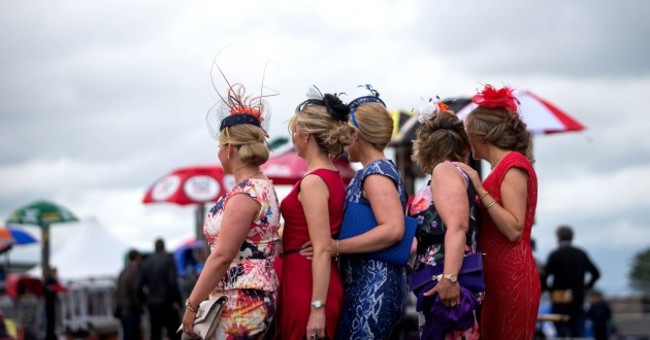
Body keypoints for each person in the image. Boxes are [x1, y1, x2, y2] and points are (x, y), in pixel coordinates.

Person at [181, 81, 281, 339]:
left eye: (219, 146)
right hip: (251, 294)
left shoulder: (245, 194)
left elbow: (223, 255)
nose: (218, 153)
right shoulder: (263, 187)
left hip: (241, 299)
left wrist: (192, 304)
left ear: (229, 150)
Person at [456, 84, 540, 339]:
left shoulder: (513, 165)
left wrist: (480, 190)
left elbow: (513, 229)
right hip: (495, 276)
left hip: (511, 276)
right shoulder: (500, 167)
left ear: (481, 135)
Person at [334, 87, 409, 339]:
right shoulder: (373, 171)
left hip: (374, 288)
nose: (343, 143)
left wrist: (336, 247)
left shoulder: (375, 174)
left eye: (346, 135)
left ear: (356, 135)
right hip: (367, 284)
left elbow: (393, 229)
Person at [276, 87, 351, 339]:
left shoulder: (314, 182)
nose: (293, 137)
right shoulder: (330, 175)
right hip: (305, 274)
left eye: (295, 131)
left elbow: (321, 248)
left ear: (307, 135)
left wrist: (317, 307)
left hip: (308, 281)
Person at [408, 102, 481, 338]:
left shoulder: (444, 171)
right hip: (442, 277)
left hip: (446, 282)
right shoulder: (455, 173)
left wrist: (449, 278)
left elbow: (458, 226)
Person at [542, 225, 601, 337]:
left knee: (560, 331)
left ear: (558, 238)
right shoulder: (581, 254)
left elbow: (544, 276)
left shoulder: (555, 255)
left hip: (559, 297)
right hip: (577, 297)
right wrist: (585, 287)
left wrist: (550, 290)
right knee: (579, 330)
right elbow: (596, 273)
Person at [140, 238, 181, 340]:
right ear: (164, 246)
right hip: (167, 302)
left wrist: (145, 300)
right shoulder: (168, 260)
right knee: (174, 332)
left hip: (153, 304)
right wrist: (176, 300)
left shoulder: (146, 263)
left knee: (155, 332)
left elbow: (139, 286)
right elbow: (172, 282)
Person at [116, 249, 144, 340]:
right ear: (137, 258)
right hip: (131, 310)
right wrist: (140, 306)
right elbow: (136, 291)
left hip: (123, 311)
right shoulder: (134, 272)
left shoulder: (122, 272)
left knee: (126, 335)